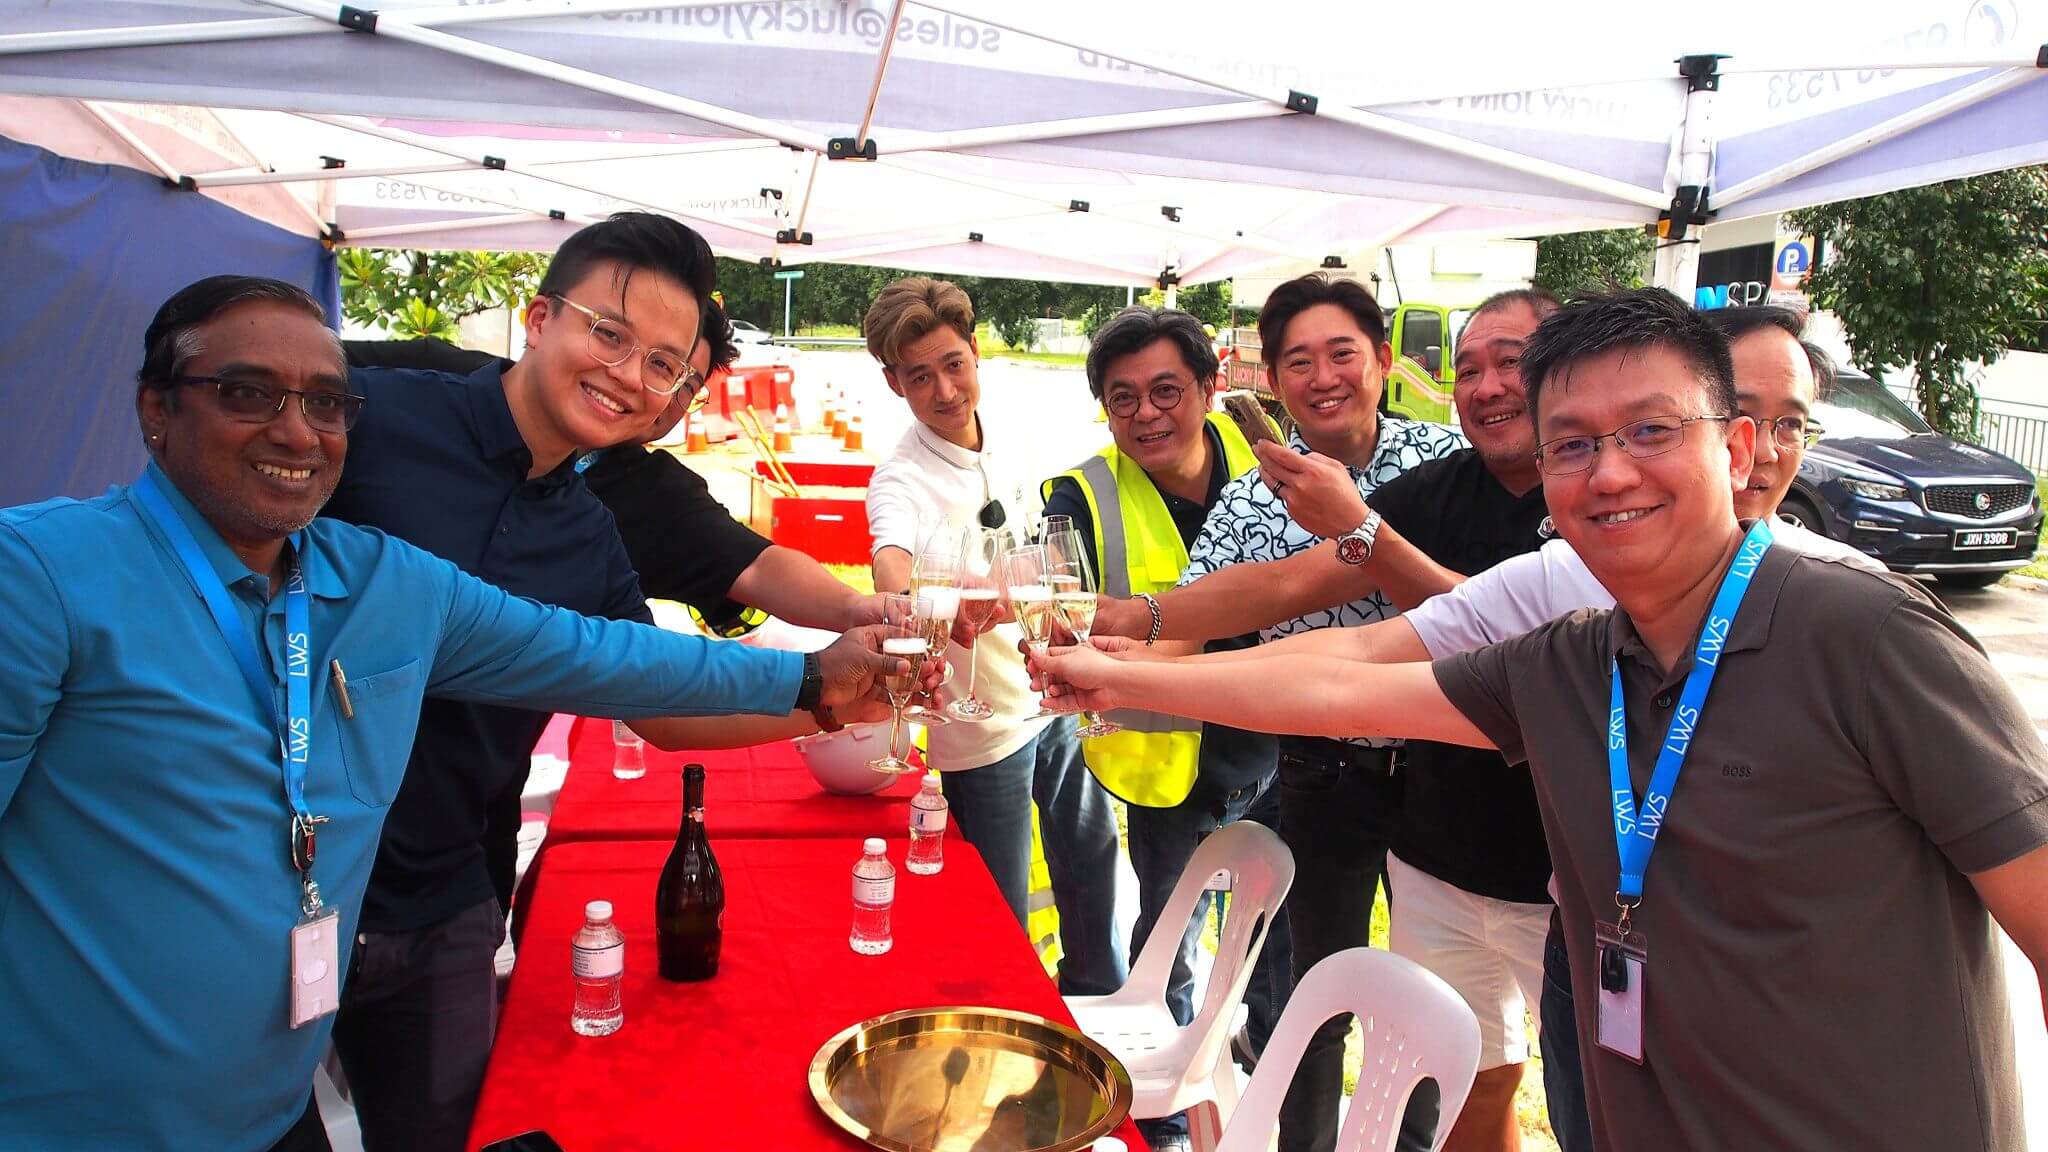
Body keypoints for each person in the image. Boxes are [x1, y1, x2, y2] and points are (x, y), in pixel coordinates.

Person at [1037, 289, 2048, 1152]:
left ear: (1736, 446)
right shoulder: (1569, 655)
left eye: (1650, 431)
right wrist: (1114, 677)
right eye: (1571, 445)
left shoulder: (1868, 634)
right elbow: (1343, 679)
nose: (1608, 473)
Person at [0, 276, 907, 1152]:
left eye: (325, 404)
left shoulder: (381, 578)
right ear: (157, 409)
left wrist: (813, 683)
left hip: (271, 1111)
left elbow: (612, 657)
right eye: (248, 393)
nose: (296, 429)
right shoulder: (39, 577)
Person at [324, 214, 886, 1152]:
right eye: (609, 334)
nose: (629, 375)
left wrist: (830, 705)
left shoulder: (587, 530)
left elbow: (658, 702)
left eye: (662, 364)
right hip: (272, 886)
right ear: (540, 318)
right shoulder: (372, 415)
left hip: (443, 899)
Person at [1146, 274, 1465, 1152]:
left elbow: (1484, 611)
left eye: (1341, 354)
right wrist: (1107, 665)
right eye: (1298, 362)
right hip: (1324, 772)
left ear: (1384, 360)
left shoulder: (1444, 466)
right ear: (1274, 379)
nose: (1323, 378)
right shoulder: (1254, 498)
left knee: (1434, 1000)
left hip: (1445, 770)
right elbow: (1196, 616)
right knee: (1315, 996)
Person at [1038, 306, 1288, 1150]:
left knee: (1278, 944)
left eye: (1167, 391)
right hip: (1168, 759)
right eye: (1123, 398)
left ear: (1211, 387)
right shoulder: (1081, 494)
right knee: (1170, 942)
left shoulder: (1273, 465)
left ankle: (1258, 1074)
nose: (1146, 414)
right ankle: (1167, 1123)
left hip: (1286, 743)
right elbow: (1061, 613)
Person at [862, 275, 1125, 997]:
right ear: (894, 383)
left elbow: (1050, 546)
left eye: (954, 365)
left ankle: (1099, 1005)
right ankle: (1005, 1021)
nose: (945, 390)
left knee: (1093, 867)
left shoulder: (1015, 440)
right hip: (980, 731)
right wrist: (916, 603)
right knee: (997, 909)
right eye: (920, 377)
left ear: (976, 352)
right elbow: (892, 564)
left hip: (1054, 694)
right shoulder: (900, 480)